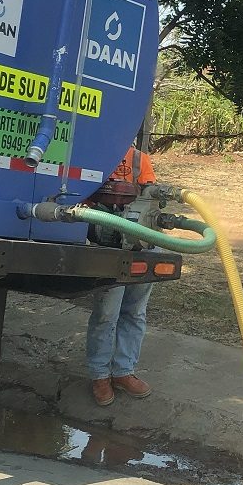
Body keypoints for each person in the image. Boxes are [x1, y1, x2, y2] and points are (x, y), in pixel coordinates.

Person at [86, 145, 158, 407]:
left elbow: (151, 198)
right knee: (107, 312)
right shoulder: (94, 151)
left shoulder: (139, 160)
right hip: (109, 244)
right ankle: (99, 375)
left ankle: (123, 371)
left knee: (135, 310)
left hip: (141, 241)